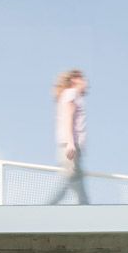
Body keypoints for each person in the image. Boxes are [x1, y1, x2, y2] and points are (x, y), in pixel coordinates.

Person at [49, 69, 89, 205]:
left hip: (74, 148)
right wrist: (70, 143)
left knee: (78, 190)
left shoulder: (71, 95)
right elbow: (68, 117)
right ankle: (44, 210)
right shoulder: (71, 94)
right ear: (74, 80)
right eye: (82, 79)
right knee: (67, 183)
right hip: (71, 147)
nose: (85, 82)